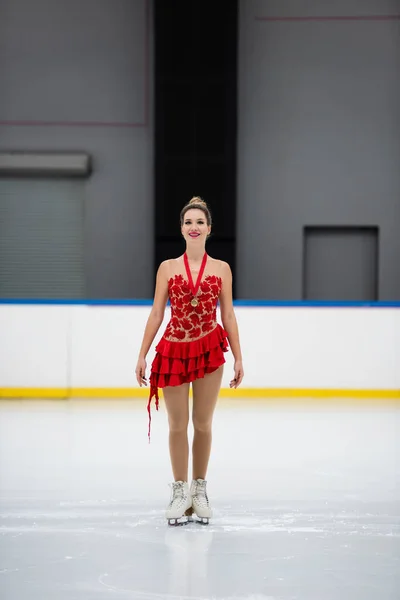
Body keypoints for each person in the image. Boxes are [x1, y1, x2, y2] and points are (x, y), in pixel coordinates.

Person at [135, 197, 244, 525]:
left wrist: (239, 357)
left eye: (199, 222)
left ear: (209, 229)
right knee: (177, 425)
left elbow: (228, 314)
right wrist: (142, 353)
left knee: (203, 424)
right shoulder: (167, 268)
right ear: (181, 229)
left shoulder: (222, 269)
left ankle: (199, 490)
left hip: (210, 350)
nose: (193, 227)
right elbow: (157, 312)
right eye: (188, 222)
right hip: (174, 352)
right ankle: (180, 491)